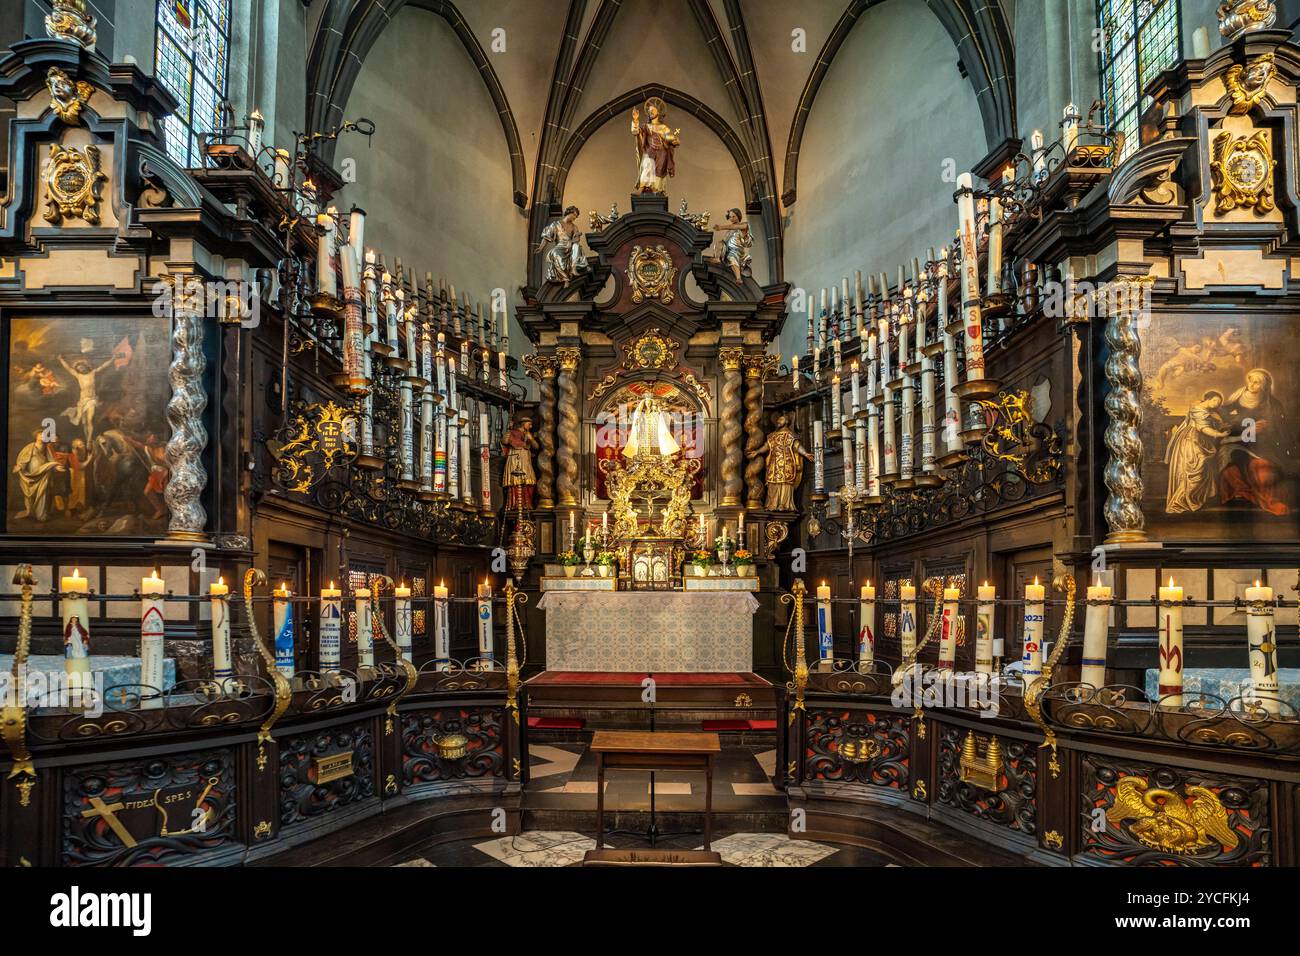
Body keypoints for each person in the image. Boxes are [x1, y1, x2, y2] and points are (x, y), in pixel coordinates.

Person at [1218, 367, 1290, 516]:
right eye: (1250, 380)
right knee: (1230, 471)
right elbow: (1222, 420)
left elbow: (1280, 429)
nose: (1252, 384)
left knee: (1261, 468)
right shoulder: (1235, 399)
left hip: (1261, 445)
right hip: (1235, 444)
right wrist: (1237, 426)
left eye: (1257, 382)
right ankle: (1247, 495)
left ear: (1263, 386)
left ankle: (1268, 501)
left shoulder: (1273, 405)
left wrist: (1264, 428)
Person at [1164, 391, 1230, 514]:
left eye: (1219, 403)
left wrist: (1219, 423)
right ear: (1208, 399)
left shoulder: (1207, 411)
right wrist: (1219, 434)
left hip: (1199, 440)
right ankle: (1181, 501)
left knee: (1203, 469)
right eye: (1215, 401)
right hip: (1191, 441)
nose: (1217, 404)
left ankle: (1195, 500)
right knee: (1196, 469)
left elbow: (1211, 424)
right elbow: (1203, 428)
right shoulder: (1198, 410)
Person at [747, 413, 813, 512]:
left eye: (781, 419)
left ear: (786, 422)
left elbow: (796, 445)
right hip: (774, 463)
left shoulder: (790, 435)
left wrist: (805, 454)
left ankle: (784, 504)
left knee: (785, 482)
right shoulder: (772, 436)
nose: (778, 421)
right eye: (778, 420)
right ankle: (772, 504)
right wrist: (757, 452)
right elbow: (766, 446)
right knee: (772, 482)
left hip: (787, 462)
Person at [58, 353, 115, 443]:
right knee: (84, 422)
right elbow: (68, 368)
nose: (81, 369)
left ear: (85, 366)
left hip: (91, 400)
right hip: (82, 401)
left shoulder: (92, 373)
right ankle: (87, 438)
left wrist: (112, 360)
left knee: (90, 420)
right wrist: (61, 360)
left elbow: (103, 366)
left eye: (82, 367)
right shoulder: (78, 375)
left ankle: (89, 440)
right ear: (77, 369)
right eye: (79, 368)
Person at [12, 428, 66, 521]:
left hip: (44, 474)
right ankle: (31, 512)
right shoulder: (30, 447)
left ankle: (41, 515)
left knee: (42, 494)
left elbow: (51, 460)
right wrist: (20, 466)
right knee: (31, 496)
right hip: (31, 474)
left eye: (44, 435)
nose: (43, 436)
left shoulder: (46, 448)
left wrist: (56, 467)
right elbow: (23, 460)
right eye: (41, 434)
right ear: (36, 436)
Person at [631, 98, 679, 194]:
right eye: (649, 111)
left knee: (659, 170)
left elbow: (671, 138)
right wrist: (635, 120)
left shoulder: (663, 127)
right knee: (647, 164)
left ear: (659, 112)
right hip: (649, 151)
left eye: (653, 110)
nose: (650, 112)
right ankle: (642, 187)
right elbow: (635, 131)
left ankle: (656, 189)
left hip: (661, 153)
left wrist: (674, 141)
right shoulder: (646, 127)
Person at [538, 206, 589, 283]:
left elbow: (577, 239)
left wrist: (571, 242)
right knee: (555, 253)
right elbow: (546, 237)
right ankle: (565, 278)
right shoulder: (555, 224)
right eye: (574, 215)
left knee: (577, 246)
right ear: (569, 212)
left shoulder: (574, 227)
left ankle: (573, 268)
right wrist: (540, 247)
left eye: (576, 216)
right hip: (560, 246)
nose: (575, 217)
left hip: (570, 246)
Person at [501, 418, 539, 510]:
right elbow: (505, 441)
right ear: (523, 424)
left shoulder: (529, 434)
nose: (531, 426)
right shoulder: (513, 432)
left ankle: (527, 503)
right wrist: (506, 436)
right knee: (515, 480)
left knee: (529, 480)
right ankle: (515, 503)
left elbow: (536, 446)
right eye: (529, 424)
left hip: (525, 457)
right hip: (515, 457)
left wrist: (531, 439)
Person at [711, 208, 752, 282]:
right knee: (719, 242)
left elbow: (734, 227)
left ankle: (738, 278)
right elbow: (726, 239)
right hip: (727, 249)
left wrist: (721, 227)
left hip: (737, 250)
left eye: (734, 216)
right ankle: (717, 258)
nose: (731, 218)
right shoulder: (729, 231)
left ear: (738, 216)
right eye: (730, 217)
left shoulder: (744, 225)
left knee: (731, 256)